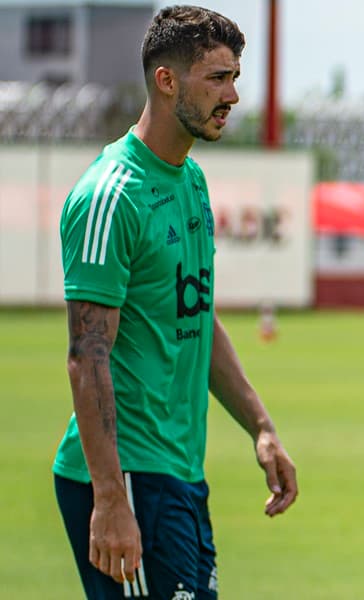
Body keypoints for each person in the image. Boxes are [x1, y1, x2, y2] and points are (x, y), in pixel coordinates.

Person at [54, 6, 299, 598]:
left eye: (235, 77)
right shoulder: (111, 197)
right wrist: (111, 498)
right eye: (217, 78)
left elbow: (196, 317)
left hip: (181, 473)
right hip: (129, 476)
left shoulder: (190, 179)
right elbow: (88, 355)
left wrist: (260, 427)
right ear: (166, 81)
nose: (234, 95)